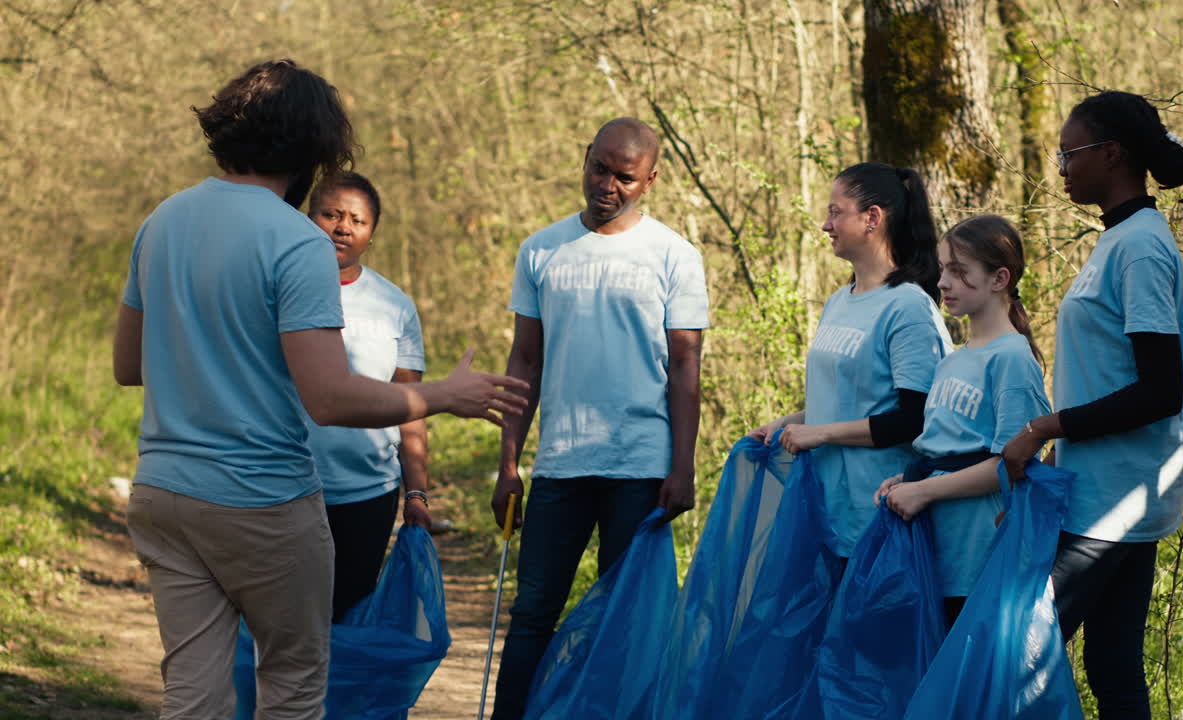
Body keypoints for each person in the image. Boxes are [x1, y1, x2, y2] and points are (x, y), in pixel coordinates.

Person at [112, 59, 528, 720]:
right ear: (313, 148)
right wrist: (445, 394)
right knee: (296, 685)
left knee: (192, 691)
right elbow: (329, 398)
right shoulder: (296, 241)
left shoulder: (161, 221)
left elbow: (129, 364)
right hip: (262, 502)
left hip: (164, 492)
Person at [487, 117, 709, 719]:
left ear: (651, 180)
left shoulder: (675, 256)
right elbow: (524, 359)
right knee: (533, 613)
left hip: (641, 467)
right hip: (560, 462)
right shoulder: (541, 250)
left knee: (629, 621)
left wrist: (682, 467)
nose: (608, 184)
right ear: (586, 158)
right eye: (599, 168)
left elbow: (685, 365)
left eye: (625, 176)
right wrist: (509, 464)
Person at [1001, 90, 1183, 718]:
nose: (1060, 168)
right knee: (1112, 667)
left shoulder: (1140, 247)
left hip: (1113, 500)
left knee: (1014, 650)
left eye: (1068, 154)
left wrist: (1042, 427)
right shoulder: (1120, 240)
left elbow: (1159, 390)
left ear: (1111, 154)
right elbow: (1108, 366)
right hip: (1104, 488)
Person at [749, 162, 951, 556]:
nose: (826, 225)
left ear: (872, 218)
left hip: (875, 514)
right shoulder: (839, 301)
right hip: (823, 508)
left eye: (835, 212)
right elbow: (846, 399)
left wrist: (821, 434)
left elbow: (914, 419)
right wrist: (788, 423)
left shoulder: (908, 307)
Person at [873, 214, 1050, 625]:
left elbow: (1011, 465)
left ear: (998, 279)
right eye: (942, 270)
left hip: (978, 559)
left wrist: (925, 493)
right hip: (938, 556)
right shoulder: (954, 360)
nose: (943, 283)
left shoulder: (1012, 360)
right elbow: (945, 449)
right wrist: (908, 482)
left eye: (959, 272)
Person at [302, 170, 434, 623]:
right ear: (307, 217)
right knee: (283, 621)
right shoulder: (276, 289)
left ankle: (333, 699)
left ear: (372, 233)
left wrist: (416, 492)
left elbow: (410, 406)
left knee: (347, 619)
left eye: (357, 220)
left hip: (367, 495)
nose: (343, 227)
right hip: (286, 488)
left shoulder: (394, 306)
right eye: (330, 214)